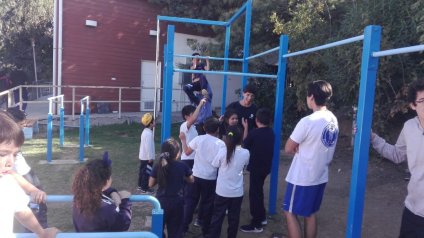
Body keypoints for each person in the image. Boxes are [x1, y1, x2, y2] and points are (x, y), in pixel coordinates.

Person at [283, 80, 338, 238]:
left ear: (311, 97)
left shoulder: (308, 121)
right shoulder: (333, 119)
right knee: (310, 213)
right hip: (320, 174)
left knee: (289, 212)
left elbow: (288, 147)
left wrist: (298, 146)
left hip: (303, 176)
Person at [371, 79, 424, 237]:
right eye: (422, 101)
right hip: (412, 210)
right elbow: (396, 154)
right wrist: (373, 138)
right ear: (413, 105)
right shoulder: (409, 127)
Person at [0, 112, 59, 238]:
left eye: (15, 154)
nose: (11, 162)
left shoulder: (7, 182)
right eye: (2, 154)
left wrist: (41, 233)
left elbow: (22, 211)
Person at [179, 116, 226, 236]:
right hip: (210, 177)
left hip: (196, 175)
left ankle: (183, 227)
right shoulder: (221, 144)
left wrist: (183, 140)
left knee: (190, 202)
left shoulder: (199, 139)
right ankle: (205, 230)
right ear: (218, 130)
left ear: (204, 128)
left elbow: (187, 152)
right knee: (207, 204)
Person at [4, 107, 48, 229]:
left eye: (15, 154)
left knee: (38, 204)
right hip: (22, 176)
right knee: (36, 206)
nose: (24, 127)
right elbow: (9, 170)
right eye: (21, 124)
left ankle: (39, 227)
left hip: (25, 174)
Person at [207, 126, 250, 238]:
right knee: (234, 218)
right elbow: (245, 165)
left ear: (226, 138)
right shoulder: (246, 153)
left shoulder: (222, 151)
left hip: (221, 191)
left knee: (217, 216)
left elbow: (214, 164)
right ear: (241, 138)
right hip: (237, 192)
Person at [72, 152, 132, 232]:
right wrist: (125, 202)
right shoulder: (107, 209)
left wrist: (111, 191)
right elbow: (123, 224)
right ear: (107, 182)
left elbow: (99, 190)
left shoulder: (78, 199)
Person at [149, 138, 194, 238]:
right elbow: (191, 180)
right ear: (177, 153)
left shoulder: (158, 166)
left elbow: (150, 184)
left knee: (158, 229)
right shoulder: (182, 166)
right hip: (177, 203)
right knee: (176, 231)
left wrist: (160, 177)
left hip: (160, 203)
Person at [239, 108, 275, 233]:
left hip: (256, 168)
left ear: (256, 120)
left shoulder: (254, 133)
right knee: (258, 192)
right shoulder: (271, 132)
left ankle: (256, 224)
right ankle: (262, 217)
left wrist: (245, 127)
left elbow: (244, 144)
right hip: (265, 168)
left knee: (254, 194)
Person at [179, 99, 206, 227]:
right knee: (189, 189)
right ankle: (184, 214)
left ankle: (187, 209)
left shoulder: (192, 127)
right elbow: (194, 119)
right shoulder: (185, 125)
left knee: (191, 188)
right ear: (186, 116)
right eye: (192, 113)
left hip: (192, 159)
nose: (195, 115)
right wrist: (200, 104)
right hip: (187, 160)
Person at [183, 53, 213, 135]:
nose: (198, 60)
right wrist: (195, 60)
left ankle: (203, 89)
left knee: (203, 76)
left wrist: (207, 60)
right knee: (186, 87)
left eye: (199, 58)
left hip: (202, 83)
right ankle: (197, 101)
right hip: (196, 84)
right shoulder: (192, 66)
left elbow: (207, 70)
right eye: (196, 58)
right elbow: (194, 70)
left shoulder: (202, 65)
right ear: (193, 59)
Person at [137, 112, 155, 194]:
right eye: (154, 121)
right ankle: (145, 188)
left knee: (142, 171)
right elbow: (148, 147)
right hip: (147, 158)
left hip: (143, 157)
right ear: (150, 123)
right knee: (147, 173)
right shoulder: (148, 134)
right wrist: (150, 157)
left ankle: (140, 185)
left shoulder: (145, 132)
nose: (155, 123)